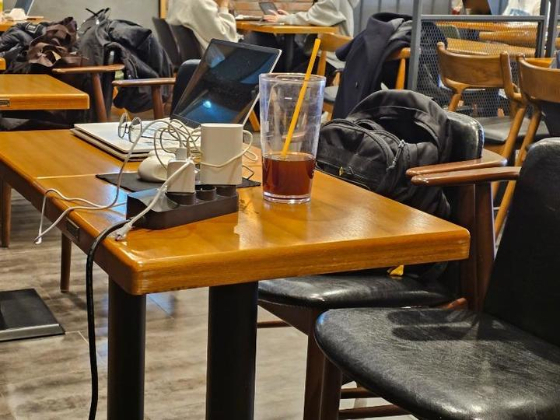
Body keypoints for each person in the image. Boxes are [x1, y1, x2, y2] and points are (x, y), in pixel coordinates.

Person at [246, 0, 358, 72]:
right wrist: (290, 17)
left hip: (328, 59)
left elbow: (314, 16)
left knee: (283, 72)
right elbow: (317, 17)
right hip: (322, 53)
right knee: (280, 61)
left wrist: (283, 19)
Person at [166, 0, 239, 51]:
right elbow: (227, 40)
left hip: (194, 58)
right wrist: (224, 5)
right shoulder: (200, 2)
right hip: (214, 59)